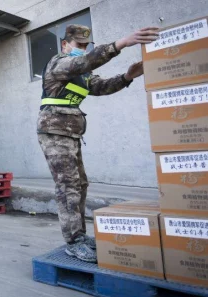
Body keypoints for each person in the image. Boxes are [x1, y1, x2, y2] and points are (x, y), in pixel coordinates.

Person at [37, 25, 159, 262]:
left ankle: (80, 236)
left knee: (80, 184)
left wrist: (127, 77)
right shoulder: (58, 63)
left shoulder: (83, 74)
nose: (82, 50)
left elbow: (100, 87)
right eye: (79, 45)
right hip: (53, 131)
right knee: (68, 185)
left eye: (86, 46)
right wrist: (120, 43)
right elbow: (82, 63)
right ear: (65, 45)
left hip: (70, 132)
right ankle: (73, 241)